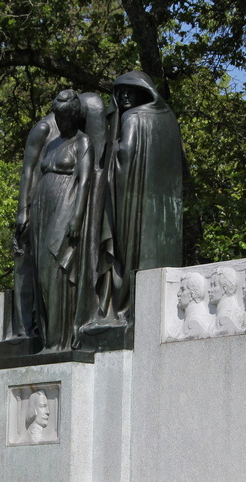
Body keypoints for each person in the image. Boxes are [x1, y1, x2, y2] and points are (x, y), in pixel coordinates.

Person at [95, 71, 183, 326]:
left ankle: (123, 306)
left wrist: (106, 160)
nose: (123, 96)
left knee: (126, 253)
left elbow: (124, 155)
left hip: (131, 202)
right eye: (119, 92)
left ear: (143, 91)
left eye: (129, 91)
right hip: (160, 208)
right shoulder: (169, 120)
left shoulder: (132, 118)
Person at [24, 90, 95, 351]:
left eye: (66, 117)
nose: (61, 122)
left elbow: (85, 181)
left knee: (56, 271)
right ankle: (47, 340)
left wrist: (76, 217)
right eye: (58, 117)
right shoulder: (52, 144)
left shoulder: (83, 142)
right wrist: (28, 209)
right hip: (42, 208)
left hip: (65, 204)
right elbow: (32, 174)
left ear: (74, 117)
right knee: (41, 273)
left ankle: (59, 341)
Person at [209, 267, 245, 335]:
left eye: (214, 285)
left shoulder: (226, 316)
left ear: (224, 288)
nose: (209, 290)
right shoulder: (222, 313)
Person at [175, 272, 211, 340]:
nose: (178, 294)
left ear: (192, 295)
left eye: (182, 289)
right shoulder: (193, 317)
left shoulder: (194, 321)